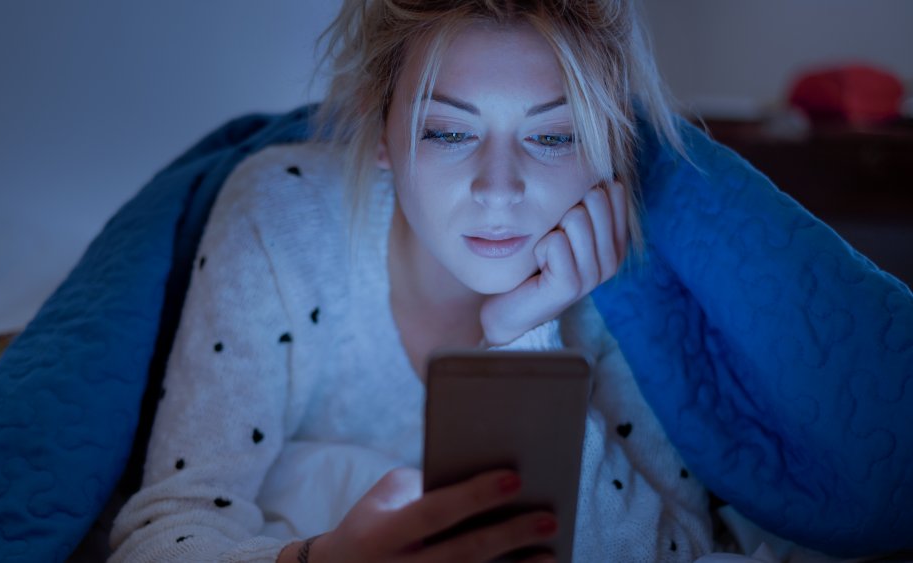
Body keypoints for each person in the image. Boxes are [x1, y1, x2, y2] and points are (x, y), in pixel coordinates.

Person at [109, 1, 713, 561]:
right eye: (448, 132)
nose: (498, 189)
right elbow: (162, 533)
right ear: (380, 132)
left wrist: (522, 336)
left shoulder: (622, 274)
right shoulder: (284, 220)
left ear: (607, 147)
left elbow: (679, 549)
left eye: (554, 136)